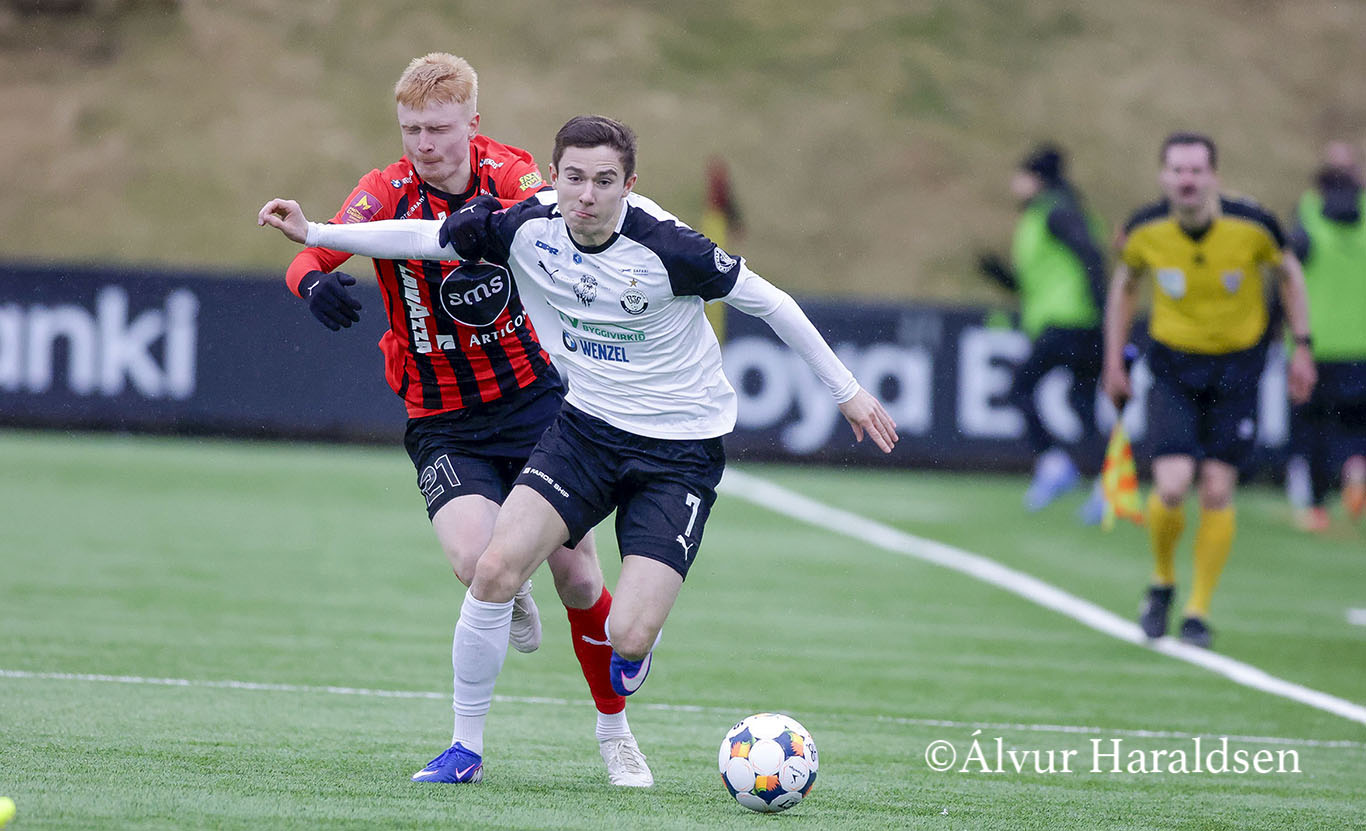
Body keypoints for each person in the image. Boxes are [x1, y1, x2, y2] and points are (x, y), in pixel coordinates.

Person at [259, 114, 899, 783]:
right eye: (574, 178)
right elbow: (425, 236)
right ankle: (464, 749)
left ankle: (633, 656)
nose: (586, 195)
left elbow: (773, 303)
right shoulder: (527, 222)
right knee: (493, 570)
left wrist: (847, 391)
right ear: (553, 176)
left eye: (603, 180)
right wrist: (316, 234)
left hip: (678, 451)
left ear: (629, 184)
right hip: (585, 430)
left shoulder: (668, 245)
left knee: (627, 634)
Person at [271, 55, 651, 787]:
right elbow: (311, 250)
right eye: (411, 129)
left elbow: (546, 205)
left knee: (579, 577)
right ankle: (467, 741)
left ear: (472, 124)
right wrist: (312, 284)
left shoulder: (509, 172)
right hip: (442, 416)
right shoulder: (384, 191)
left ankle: (616, 733)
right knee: (478, 567)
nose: (425, 144)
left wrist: (500, 220)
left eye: (439, 129)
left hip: (538, 404)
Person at [1103, 132, 1316, 649]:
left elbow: (1289, 275)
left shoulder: (1254, 224)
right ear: (1163, 176)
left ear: (1214, 177)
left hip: (1238, 369)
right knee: (1173, 485)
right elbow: (1125, 286)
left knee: (1218, 489)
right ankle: (1162, 581)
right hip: (1174, 365)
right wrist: (1112, 360)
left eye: (1197, 171)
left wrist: (1303, 346)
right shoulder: (1144, 229)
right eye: (1178, 170)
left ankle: (1197, 610)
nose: (1187, 180)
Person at [978, 144, 1107, 522]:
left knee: (1020, 387)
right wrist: (999, 276)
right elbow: (1036, 282)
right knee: (1082, 404)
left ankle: (1054, 464)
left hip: (1068, 323)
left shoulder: (1055, 212)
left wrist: (1103, 308)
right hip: (1074, 322)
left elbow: (1091, 256)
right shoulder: (1049, 213)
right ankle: (1106, 486)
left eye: (1020, 175)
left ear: (1035, 178)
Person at [1286, 142, 1366, 531]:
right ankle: (1356, 471)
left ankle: (1317, 507)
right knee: (1356, 425)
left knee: (1314, 427)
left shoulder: (1307, 215)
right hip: (1361, 345)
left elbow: (1286, 277)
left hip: (1315, 344)